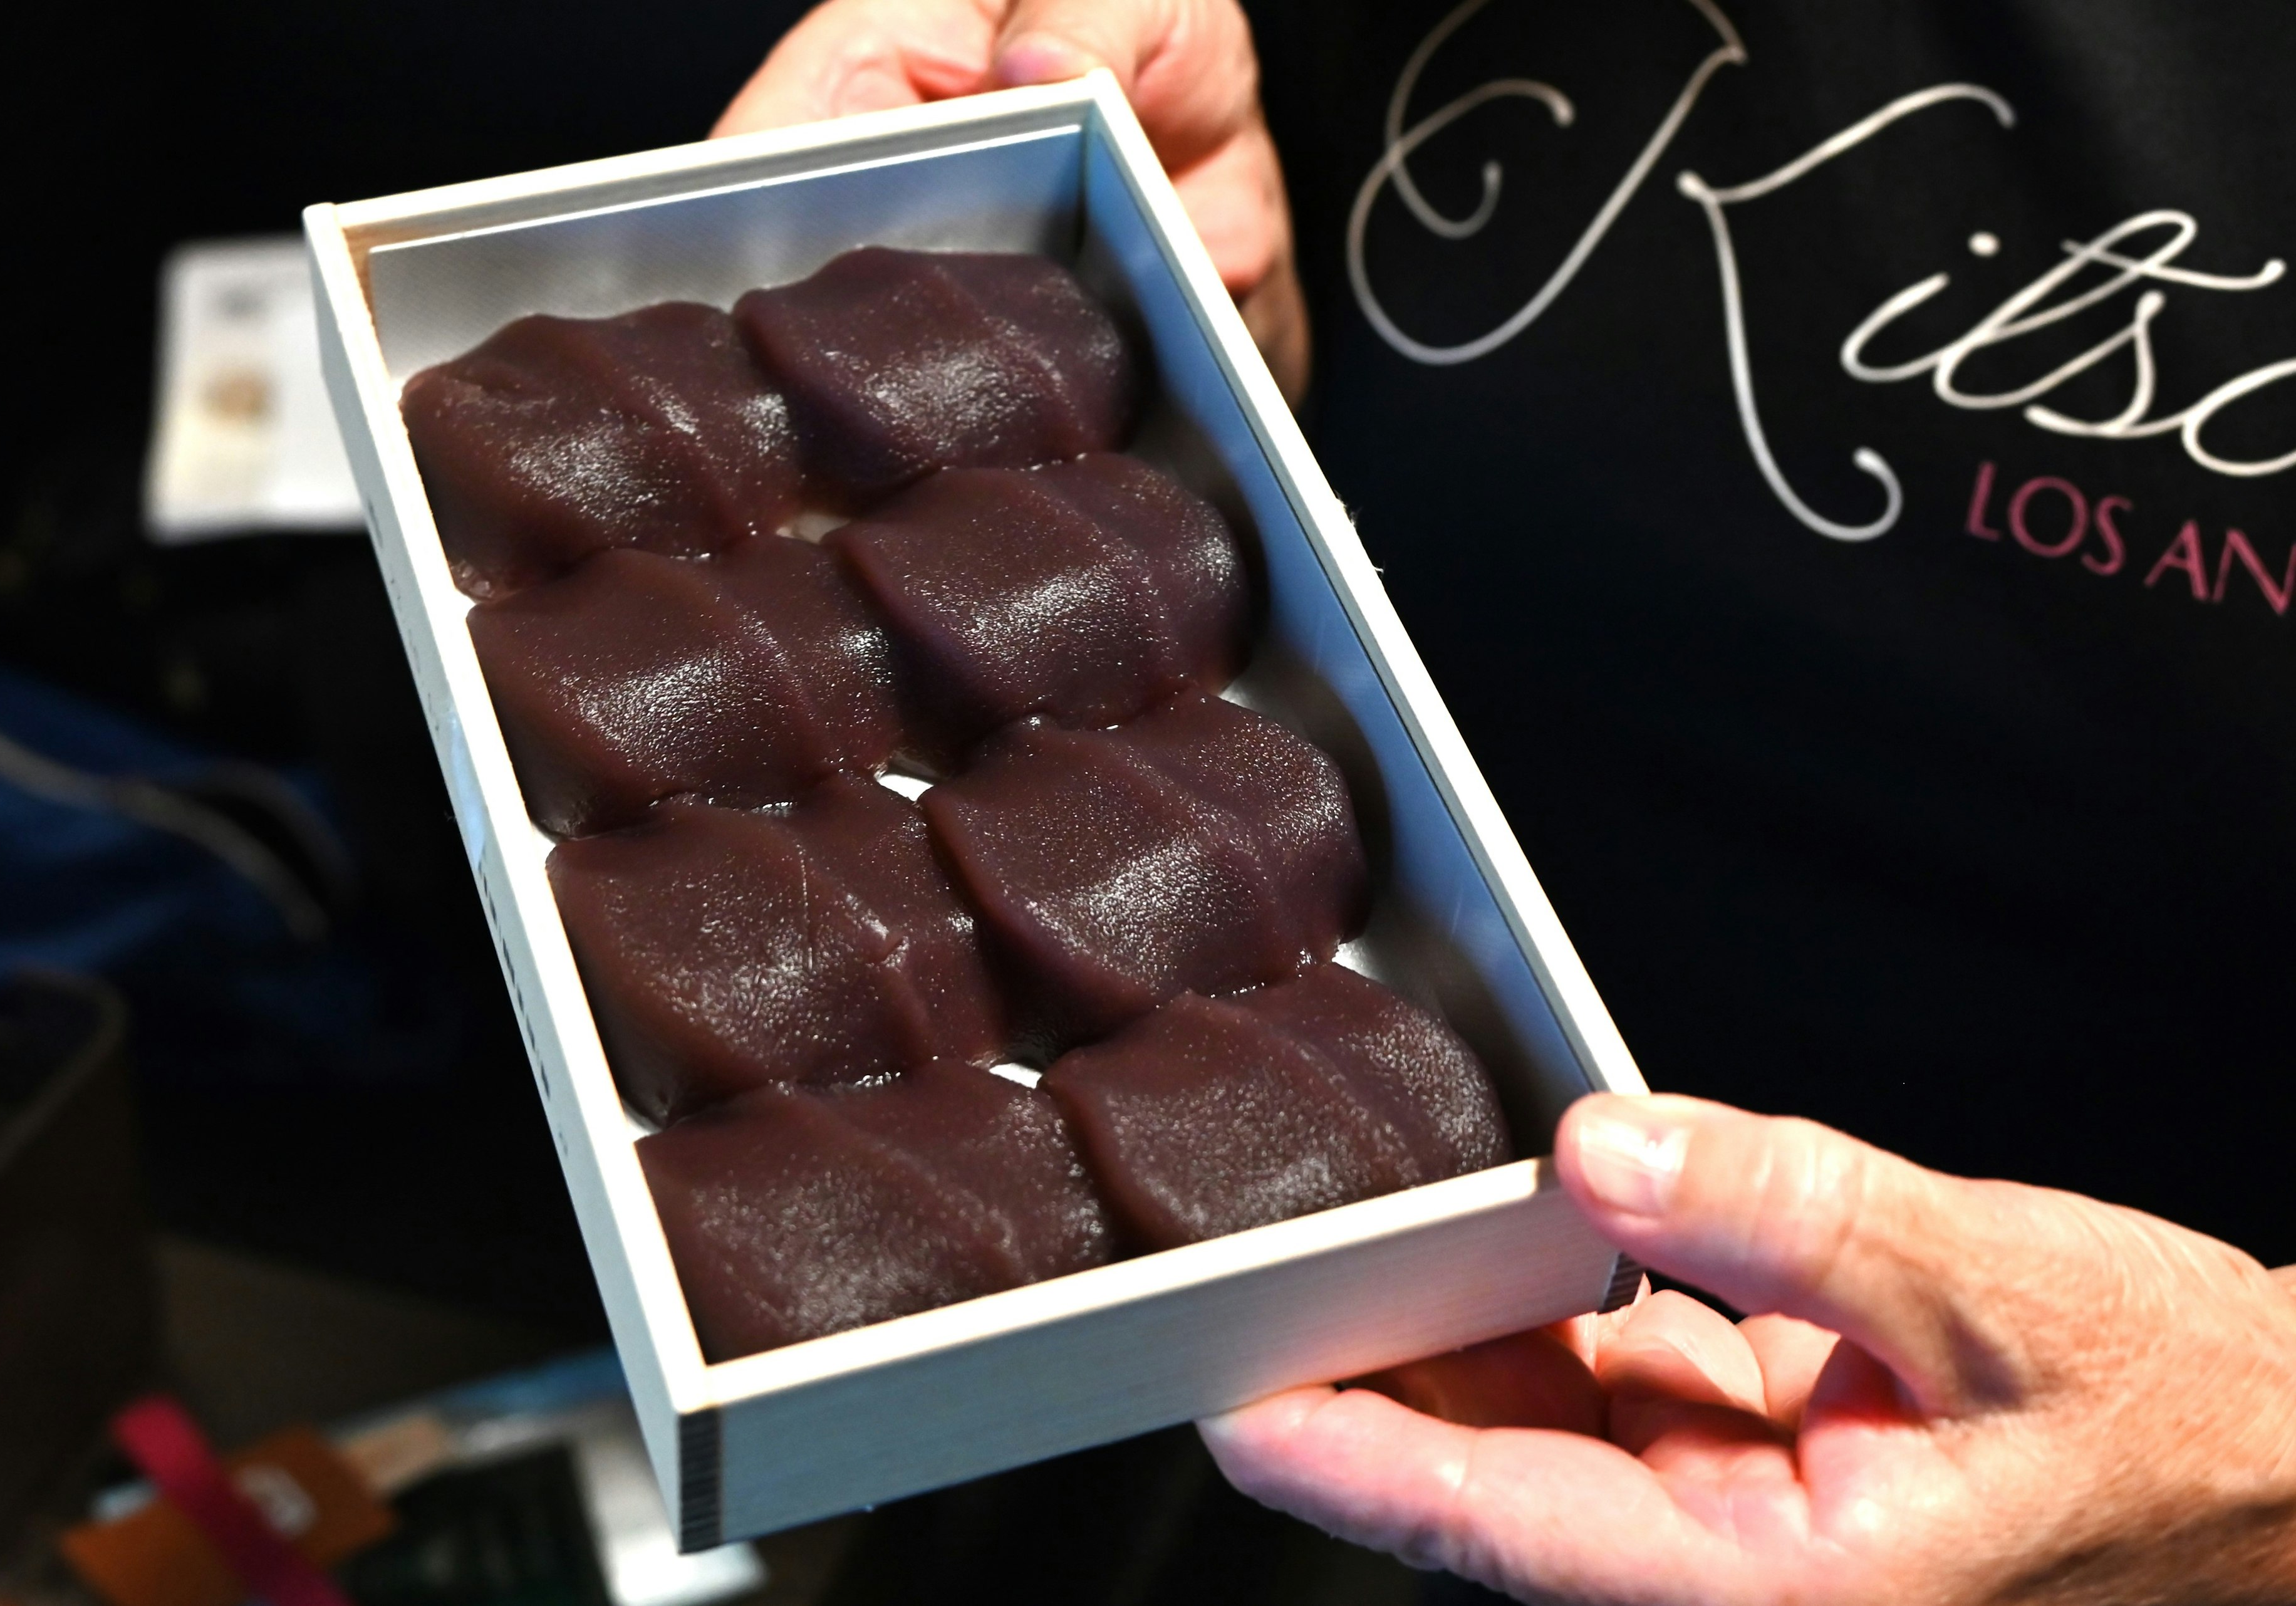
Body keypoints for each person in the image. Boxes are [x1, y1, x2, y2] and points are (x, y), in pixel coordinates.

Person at [719, 1, 2296, 1600]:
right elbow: (1264, 331)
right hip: (1201, 1265)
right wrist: (1201, 300)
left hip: (2061, 1456)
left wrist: (2264, 1460)